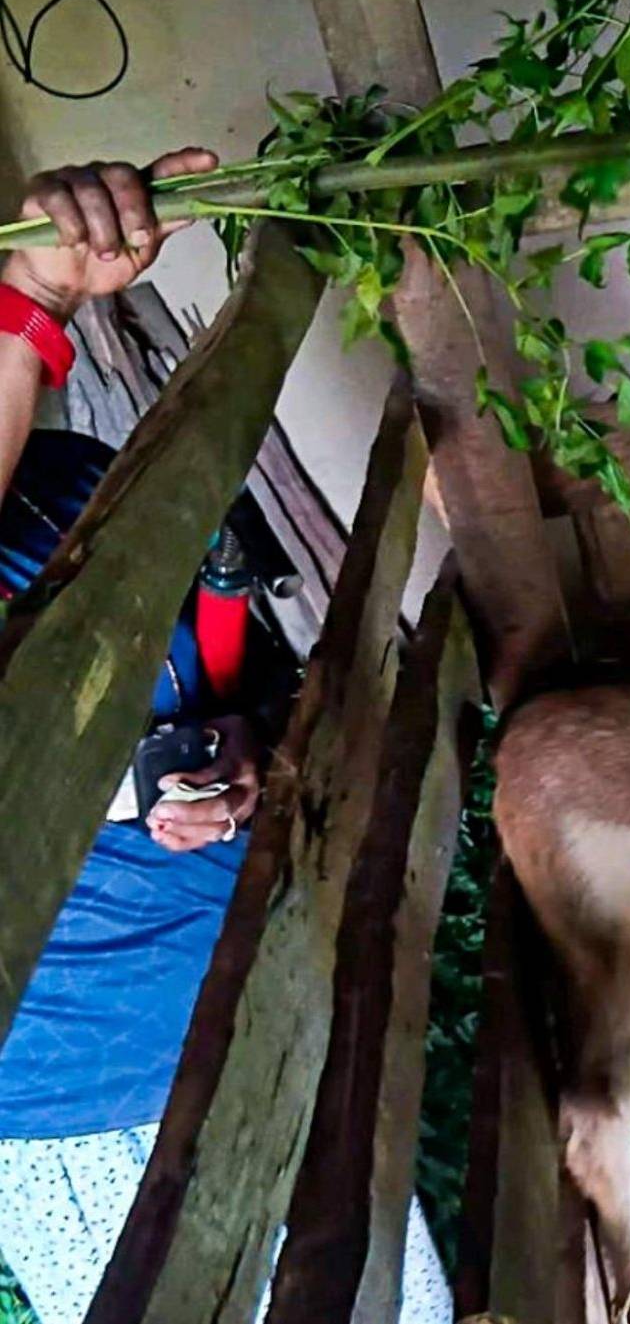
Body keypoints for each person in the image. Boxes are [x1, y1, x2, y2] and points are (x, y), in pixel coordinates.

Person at [0, 157, 452, 1324]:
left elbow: (228, 688)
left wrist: (239, 747)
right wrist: (34, 311)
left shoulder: (78, 482)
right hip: (100, 1113)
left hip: (267, 993)